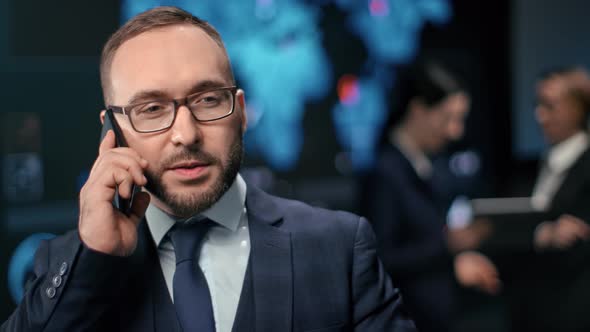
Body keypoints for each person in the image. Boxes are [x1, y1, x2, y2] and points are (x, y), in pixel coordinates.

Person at [1, 6, 416, 332]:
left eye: (208, 101)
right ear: (112, 130)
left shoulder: (340, 246)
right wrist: (94, 260)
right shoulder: (66, 262)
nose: (186, 133)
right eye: (151, 109)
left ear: (240, 111)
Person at [360, 60, 498, 332]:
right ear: (418, 109)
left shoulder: (427, 165)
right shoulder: (385, 172)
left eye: (459, 119)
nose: (455, 130)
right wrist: (449, 249)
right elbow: (380, 258)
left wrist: (455, 256)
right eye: (448, 118)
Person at [477, 67, 590, 332]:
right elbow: (501, 229)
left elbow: (576, 244)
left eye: (549, 106)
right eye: (537, 105)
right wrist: (541, 235)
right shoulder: (528, 170)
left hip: (573, 313)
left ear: (578, 108)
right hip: (525, 311)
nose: (539, 115)